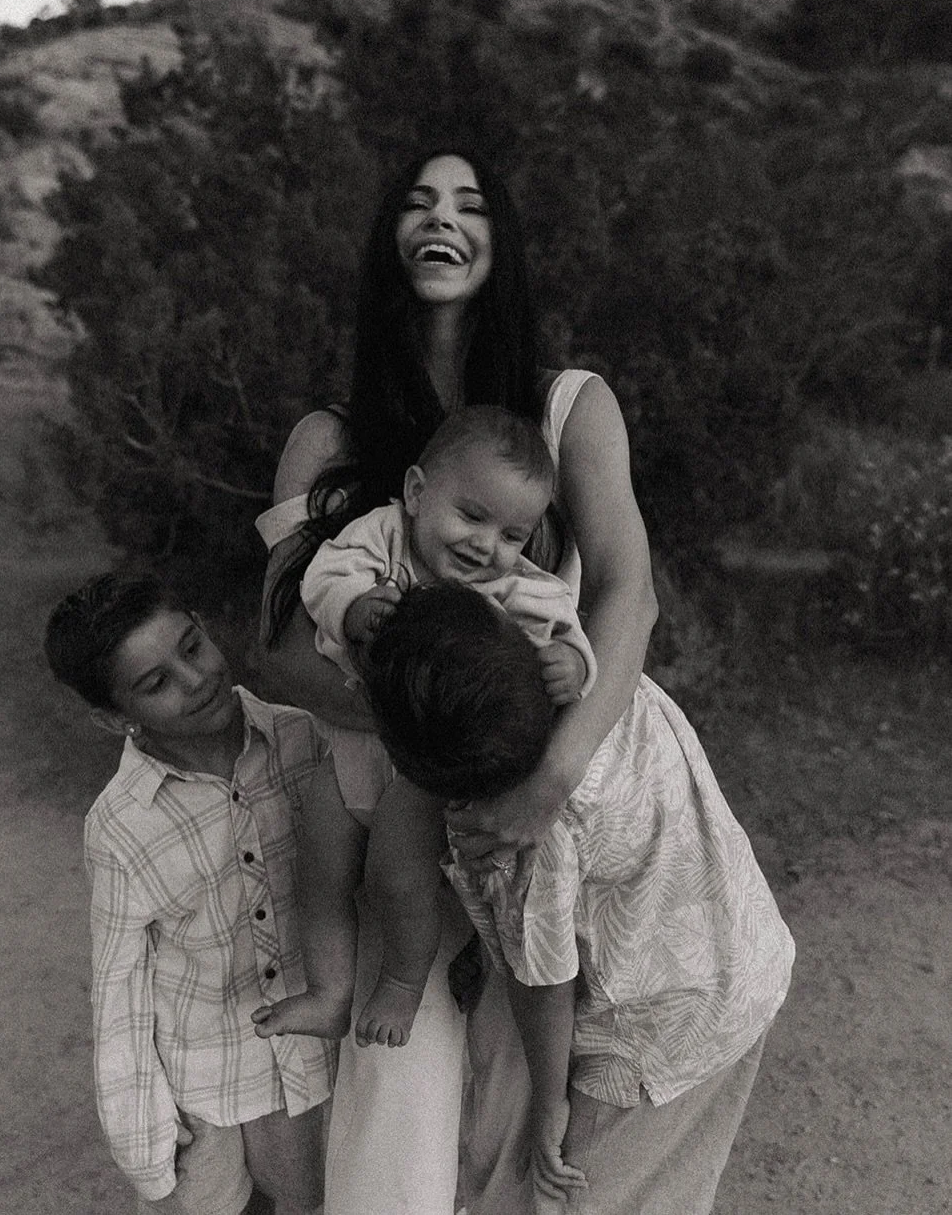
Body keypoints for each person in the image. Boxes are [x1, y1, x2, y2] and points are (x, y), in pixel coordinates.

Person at [255, 148, 661, 1215]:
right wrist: (427, 721)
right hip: (395, 780)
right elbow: (280, 649)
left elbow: (624, 596)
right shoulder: (325, 440)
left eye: (471, 204)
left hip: (537, 803)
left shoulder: (568, 408)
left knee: (537, 1105)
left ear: (501, 243)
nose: (443, 219)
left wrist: (545, 776)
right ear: (387, 239)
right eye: (418, 202)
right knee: (399, 1090)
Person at [363, 581, 795, 1215]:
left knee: (577, 1193)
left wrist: (549, 1105)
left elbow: (544, 984)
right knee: (668, 1185)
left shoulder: (512, 839)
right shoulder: (607, 683)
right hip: (745, 960)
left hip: (650, 1034)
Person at [252, 405, 595, 1051]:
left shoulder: (512, 587)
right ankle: (328, 991)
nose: (485, 545)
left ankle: (403, 983)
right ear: (415, 492)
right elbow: (321, 577)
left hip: (420, 773)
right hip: (349, 739)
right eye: (471, 516)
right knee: (316, 863)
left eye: (511, 535)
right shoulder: (377, 538)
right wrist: (352, 608)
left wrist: (570, 663)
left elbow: (565, 622)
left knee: (395, 874)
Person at [44, 571, 333, 1215]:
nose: (195, 678)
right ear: (113, 717)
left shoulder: (306, 739)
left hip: (321, 1060)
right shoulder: (121, 826)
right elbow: (120, 993)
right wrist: (146, 1150)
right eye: (156, 683)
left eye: (192, 647)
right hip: (207, 1085)